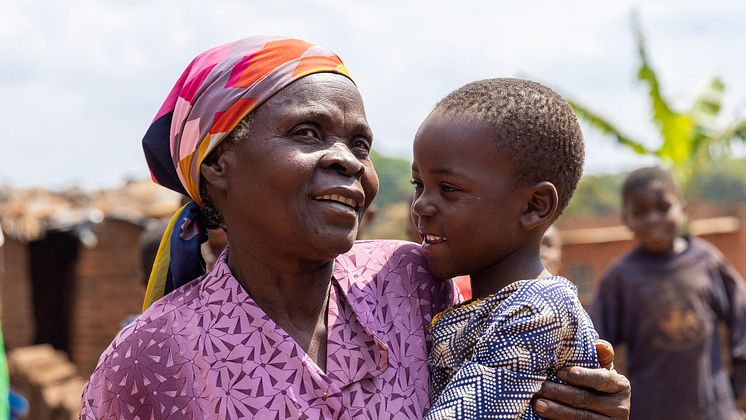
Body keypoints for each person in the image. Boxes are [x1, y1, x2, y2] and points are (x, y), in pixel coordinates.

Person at [80, 36, 630, 419]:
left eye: (359, 144)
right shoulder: (151, 356)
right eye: (308, 132)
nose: (347, 160)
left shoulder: (410, 279)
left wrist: (584, 405)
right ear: (218, 163)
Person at [411, 78, 606, 419]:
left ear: (535, 206)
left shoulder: (537, 312)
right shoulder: (496, 305)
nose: (421, 206)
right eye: (419, 185)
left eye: (448, 188)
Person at [591, 166, 746, 419]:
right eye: (640, 212)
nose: (653, 218)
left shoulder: (707, 262)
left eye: (663, 207)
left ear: (682, 209)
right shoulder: (619, 278)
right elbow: (595, 346)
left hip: (715, 410)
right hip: (650, 411)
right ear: (626, 220)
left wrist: (739, 386)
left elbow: (742, 319)